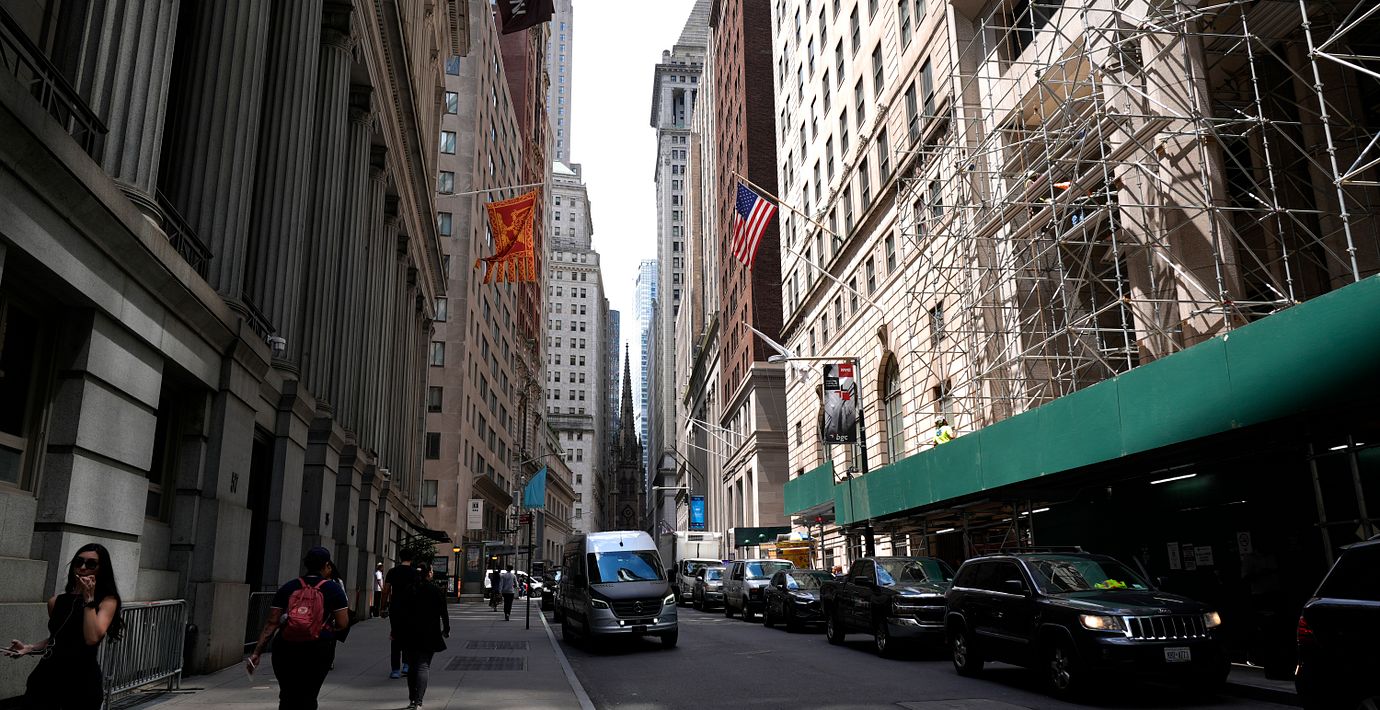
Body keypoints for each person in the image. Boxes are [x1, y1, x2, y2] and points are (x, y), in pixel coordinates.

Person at [6, 543, 124, 709]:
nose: (83, 567)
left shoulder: (107, 601)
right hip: (47, 677)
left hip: (82, 681)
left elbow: (92, 639)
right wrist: (29, 648)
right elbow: (59, 638)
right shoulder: (56, 601)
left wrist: (88, 599)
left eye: (91, 564)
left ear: (101, 569)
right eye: (79, 562)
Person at [247, 546, 349, 710]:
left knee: (287, 695)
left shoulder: (289, 587)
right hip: (318, 648)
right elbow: (343, 623)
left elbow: (272, 622)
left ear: (306, 564)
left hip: (286, 647)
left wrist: (257, 652)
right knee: (309, 695)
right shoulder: (334, 589)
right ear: (326, 565)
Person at [397, 565, 449, 710]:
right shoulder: (435, 590)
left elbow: (399, 611)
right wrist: (446, 628)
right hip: (429, 633)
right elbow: (443, 612)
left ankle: (412, 699)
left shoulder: (409, 589)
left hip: (409, 633)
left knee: (412, 667)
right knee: (423, 666)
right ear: (428, 574)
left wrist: (397, 630)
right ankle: (418, 701)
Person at [381, 555, 414, 679]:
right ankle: (406, 665)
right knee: (409, 636)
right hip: (410, 609)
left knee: (395, 636)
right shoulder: (414, 573)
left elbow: (386, 590)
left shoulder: (392, 572)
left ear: (400, 558)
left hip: (396, 608)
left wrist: (382, 607)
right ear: (411, 559)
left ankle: (395, 670)